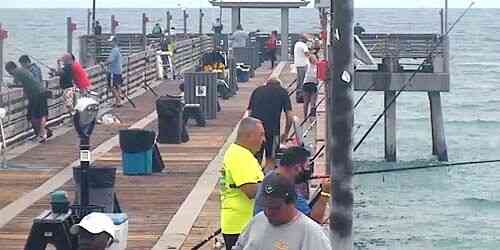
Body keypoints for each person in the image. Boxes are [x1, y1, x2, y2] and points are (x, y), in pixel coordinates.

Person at [233, 172, 332, 250]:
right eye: (265, 206)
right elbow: (239, 246)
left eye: (275, 208)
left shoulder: (311, 233)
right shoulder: (258, 220)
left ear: (292, 202)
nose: (268, 212)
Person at [220, 117, 266, 250]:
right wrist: (274, 184)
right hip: (241, 226)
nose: (264, 140)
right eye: (261, 135)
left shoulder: (242, 154)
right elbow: (250, 190)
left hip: (242, 223)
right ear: (248, 136)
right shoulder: (239, 157)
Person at [254, 146, 331, 223]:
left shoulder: (270, 177)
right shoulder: (284, 186)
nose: (308, 171)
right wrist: (325, 193)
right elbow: (314, 221)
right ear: (297, 168)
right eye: (307, 166)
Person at [247, 77, 292, 171]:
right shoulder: (282, 92)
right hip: (272, 130)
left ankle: (255, 178)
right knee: (271, 159)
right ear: (279, 84)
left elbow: (250, 113)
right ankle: (267, 182)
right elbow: (289, 116)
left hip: (256, 129)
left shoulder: (257, 91)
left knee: (255, 158)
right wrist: (286, 134)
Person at [5, 61, 52, 143]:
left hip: (36, 94)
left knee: (34, 116)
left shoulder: (17, 72)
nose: (10, 74)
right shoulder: (23, 70)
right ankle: (44, 133)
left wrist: (11, 85)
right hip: (41, 91)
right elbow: (26, 83)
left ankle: (42, 134)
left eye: (9, 72)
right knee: (38, 115)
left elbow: (17, 83)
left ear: (11, 69)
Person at [106, 36, 124, 107]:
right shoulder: (118, 49)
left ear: (115, 42)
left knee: (112, 87)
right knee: (118, 86)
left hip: (113, 71)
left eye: (111, 42)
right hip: (118, 71)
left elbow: (110, 60)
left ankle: (118, 101)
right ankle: (118, 101)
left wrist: (103, 63)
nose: (110, 43)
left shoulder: (114, 50)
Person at [293, 35, 310, 103]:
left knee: (299, 80)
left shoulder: (297, 44)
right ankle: (301, 96)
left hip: (298, 64)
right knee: (303, 81)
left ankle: (298, 95)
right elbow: (306, 54)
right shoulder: (303, 45)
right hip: (303, 65)